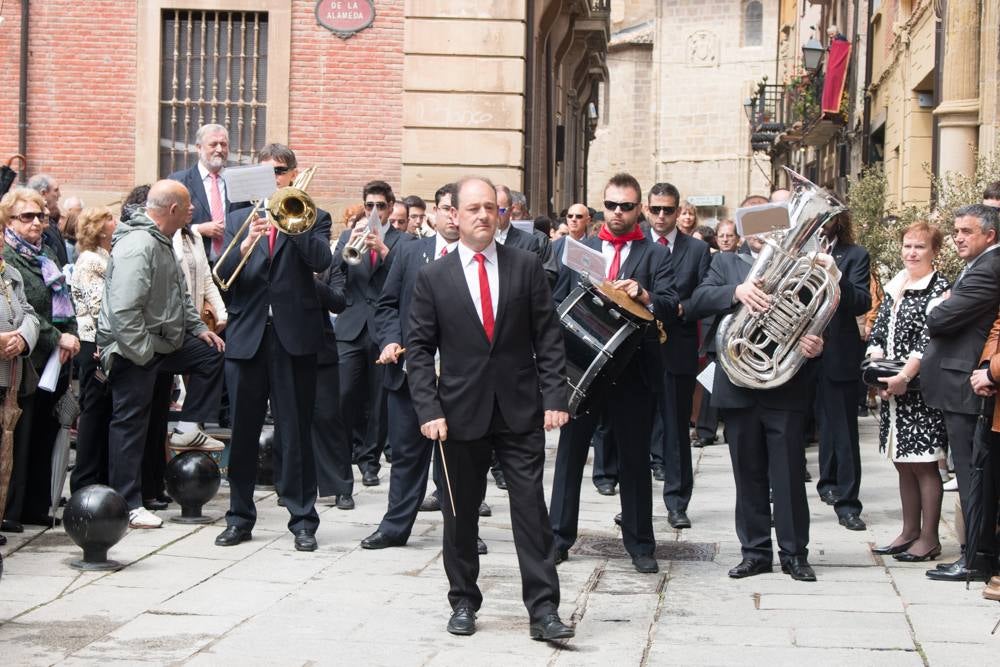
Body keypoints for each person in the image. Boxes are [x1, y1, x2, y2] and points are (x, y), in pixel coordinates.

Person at [407, 176, 574, 640]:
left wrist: (555, 397)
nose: (483, 215)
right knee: (460, 514)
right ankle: (463, 601)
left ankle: (544, 612)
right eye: (473, 208)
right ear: (454, 216)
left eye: (491, 208)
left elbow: (548, 336)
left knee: (530, 512)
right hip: (457, 415)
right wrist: (428, 409)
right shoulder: (433, 276)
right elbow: (419, 349)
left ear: (502, 214)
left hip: (520, 410)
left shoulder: (525, 266)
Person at [549, 173, 678, 573]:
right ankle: (557, 539)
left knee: (635, 460)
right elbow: (554, 302)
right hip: (583, 368)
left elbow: (672, 303)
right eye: (611, 205)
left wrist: (645, 295)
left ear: (638, 209)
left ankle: (640, 545)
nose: (618, 213)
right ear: (600, 207)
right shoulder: (578, 248)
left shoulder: (655, 254)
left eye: (626, 206)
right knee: (569, 456)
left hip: (634, 371)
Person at [213, 144, 332, 552]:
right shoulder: (236, 220)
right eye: (265, 173)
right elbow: (223, 278)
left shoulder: (312, 213)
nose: (273, 180)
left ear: (293, 174)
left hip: (293, 337)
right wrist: (245, 247)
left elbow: (321, 262)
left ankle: (302, 520)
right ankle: (239, 518)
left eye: (279, 172)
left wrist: (293, 228)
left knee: (295, 431)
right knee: (243, 433)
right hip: (248, 337)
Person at [689, 239, 825, 581]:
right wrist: (737, 292)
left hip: (785, 384)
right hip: (738, 384)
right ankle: (755, 552)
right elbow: (698, 301)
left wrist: (818, 343)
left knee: (789, 475)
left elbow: (820, 315)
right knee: (747, 473)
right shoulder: (725, 264)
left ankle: (795, 554)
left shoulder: (803, 267)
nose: (763, 232)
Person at [97, 180, 225, 529]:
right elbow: (124, 311)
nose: (192, 212)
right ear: (172, 210)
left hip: (160, 344)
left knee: (210, 355)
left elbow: (180, 294)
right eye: (187, 208)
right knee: (130, 425)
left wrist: (199, 328)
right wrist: (142, 357)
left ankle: (187, 426)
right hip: (133, 349)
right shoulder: (140, 245)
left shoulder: (164, 240)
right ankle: (127, 502)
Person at [362, 182, 460, 550]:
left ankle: (460, 531)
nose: (452, 216)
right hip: (408, 374)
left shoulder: (477, 257)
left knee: (457, 460)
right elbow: (386, 305)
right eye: (445, 208)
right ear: (434, 212)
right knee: (405, 453)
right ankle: (394, 527)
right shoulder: (408, 252)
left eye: (457, 209)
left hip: (457, 378)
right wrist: (388, 340)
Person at [922, 204, 1000, 582]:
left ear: (990, 234)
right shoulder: (979, 265)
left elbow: (940, 318)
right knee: (968, 472)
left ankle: (974, 558)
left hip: (967, 384)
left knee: (971, 475)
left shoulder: (989, 267)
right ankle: (976, 554)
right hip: (958, 381)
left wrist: (938, 306)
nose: (958, 238)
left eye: (967, 231)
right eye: (956, 231)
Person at [866, 222, 949, 562]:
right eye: (908, 246)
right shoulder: (897, 284)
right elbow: (880, 328)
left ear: (934, 252)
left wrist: (903, 376)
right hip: (893, 390)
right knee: (903, 463)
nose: (912, 252)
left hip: (920, 389)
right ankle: (908, 530)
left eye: (920, 247)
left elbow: (929, 340)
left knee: (925, 465)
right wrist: (876, 367)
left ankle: (929, 538)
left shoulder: (939, 289)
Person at [0, 187, 78, 532]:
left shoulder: (46, 253)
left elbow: (64, 296)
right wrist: (54, 335)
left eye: (41, 216)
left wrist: (71, 333)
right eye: (26, 216)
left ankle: (37, 505)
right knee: (21, 436)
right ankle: (12, 510)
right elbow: (24, 313)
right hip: (27, 361)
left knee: (46, 433)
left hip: (55, 359)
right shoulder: (9, 257)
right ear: (9, 220)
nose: (36, 223)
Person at [645, 182, 711, 529]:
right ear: (646, 208)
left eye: (668, 210)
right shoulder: (637, 243)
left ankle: (677, 501)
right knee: (636, 429)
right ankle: (635, 503)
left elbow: (704, 294)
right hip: (639, 349)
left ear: (677, 211)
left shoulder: (697, 251)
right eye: (655, 209)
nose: (661, 216)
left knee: (675, 429)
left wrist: (682, 308)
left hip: (678, 346)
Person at [333, 180, 408, 486]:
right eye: (369, 205)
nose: (374, 211)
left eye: (380, 205)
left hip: (383, 328)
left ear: (390, 208)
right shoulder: (349, 236)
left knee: (379, 402)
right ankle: (343, 454)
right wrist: (348, 242)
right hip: (351, 325)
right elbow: (334, 272)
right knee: (345, 393)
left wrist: (384, 250)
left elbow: (406, 279)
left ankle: (369, 462)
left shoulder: (404, 242)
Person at [814, 212, 872, 532]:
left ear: (839, 220)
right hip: (798, 351)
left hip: (837, 350)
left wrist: (836, 274)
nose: (822, 221)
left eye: (828, 215)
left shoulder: (855, 255)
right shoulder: (794, 252)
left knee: (843, 430)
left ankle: (848, 504)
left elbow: (861, 301)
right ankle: (824, 483)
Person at [0, 188, 42, 537]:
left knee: (8, 454)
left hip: (14, 377)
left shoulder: (9, 273)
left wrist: (23, 337)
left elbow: (29, 311)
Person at [69, 206, 117, 492]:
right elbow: (96, 305)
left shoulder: (106, 257)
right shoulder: (89, 261)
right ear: (99, 228)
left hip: (104, 342)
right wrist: (103, 343)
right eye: (110, 219)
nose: (116, 222)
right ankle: (84, 479)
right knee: (93, 410)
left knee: (104, 411)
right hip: (93, 342)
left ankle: (99, 476)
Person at [167, 123, 246, 261]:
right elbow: (166, 223)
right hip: (194, 261)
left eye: (223, 144)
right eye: (213, 144)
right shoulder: (178, 181)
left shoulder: (239, 181)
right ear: (198, 148)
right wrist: (198, 229)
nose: (219, 149)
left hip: (233, 262)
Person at [26, 174, 70, 267]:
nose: (59, 194)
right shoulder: (37, 227)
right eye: (56, 190)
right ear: (43, 193)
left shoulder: (51, 220)